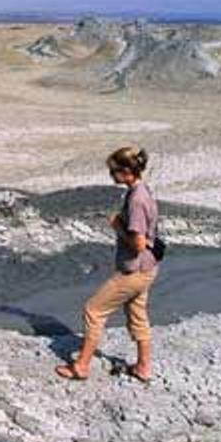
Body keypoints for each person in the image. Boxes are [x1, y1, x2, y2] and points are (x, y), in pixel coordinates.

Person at [55, 146, 159, 383]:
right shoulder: (144, 190)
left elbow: (139, 243)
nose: (111, 175)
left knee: (94, 310)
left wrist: (117, 226)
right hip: (148, 268)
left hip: (134, 269)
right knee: (137, 314)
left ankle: (81, 366)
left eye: (113, 170)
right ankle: (143, 367)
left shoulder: (137, 200)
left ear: (126, 171)